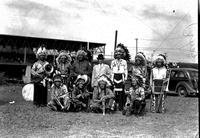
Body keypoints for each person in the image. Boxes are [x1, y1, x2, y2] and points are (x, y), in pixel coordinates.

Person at [111, 45, 128, 111]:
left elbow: (126, 70)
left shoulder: (124, 62)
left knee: (121, 93)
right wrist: (111, 79)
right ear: (115, 55)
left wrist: (125, 78)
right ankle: (113, 106)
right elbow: (111, 71)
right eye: (117, 54)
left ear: (122, 55)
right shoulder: (113, 62)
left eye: (120, 54)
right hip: (114, 76)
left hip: (121, 77)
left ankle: (121, 107)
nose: (118, 55)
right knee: (114, 92)